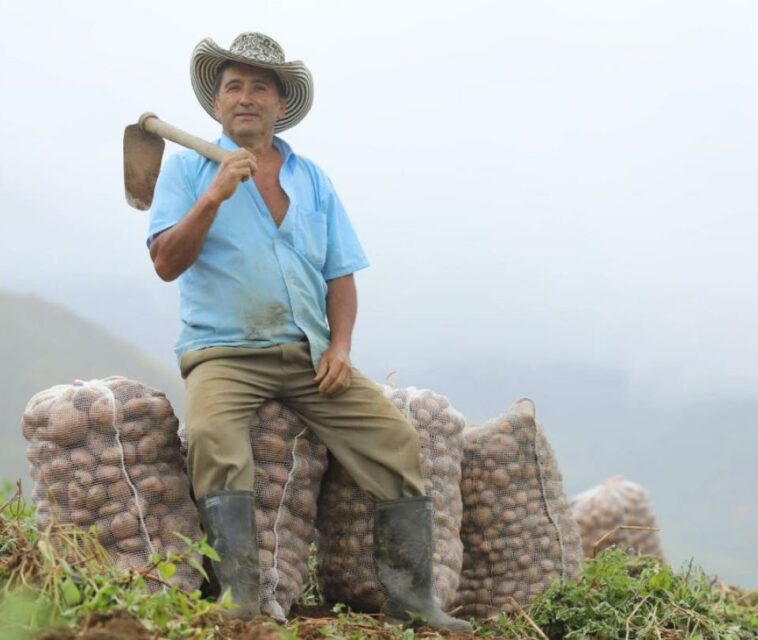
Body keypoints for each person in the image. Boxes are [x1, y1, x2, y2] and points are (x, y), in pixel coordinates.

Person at [146, 32, 470, 632]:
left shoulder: (312, 179)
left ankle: (412, 600)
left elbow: (340, 275)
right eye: (234, 87)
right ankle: (240, 598)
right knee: (216, 439)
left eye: (259, 88)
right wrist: (214, 197)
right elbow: (166, 261)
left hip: (309, 352)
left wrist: (340, 347)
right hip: (225, 352)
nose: (246, 98)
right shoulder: (188, 171)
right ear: (217, 105)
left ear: (279, 104)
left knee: (396, 441)